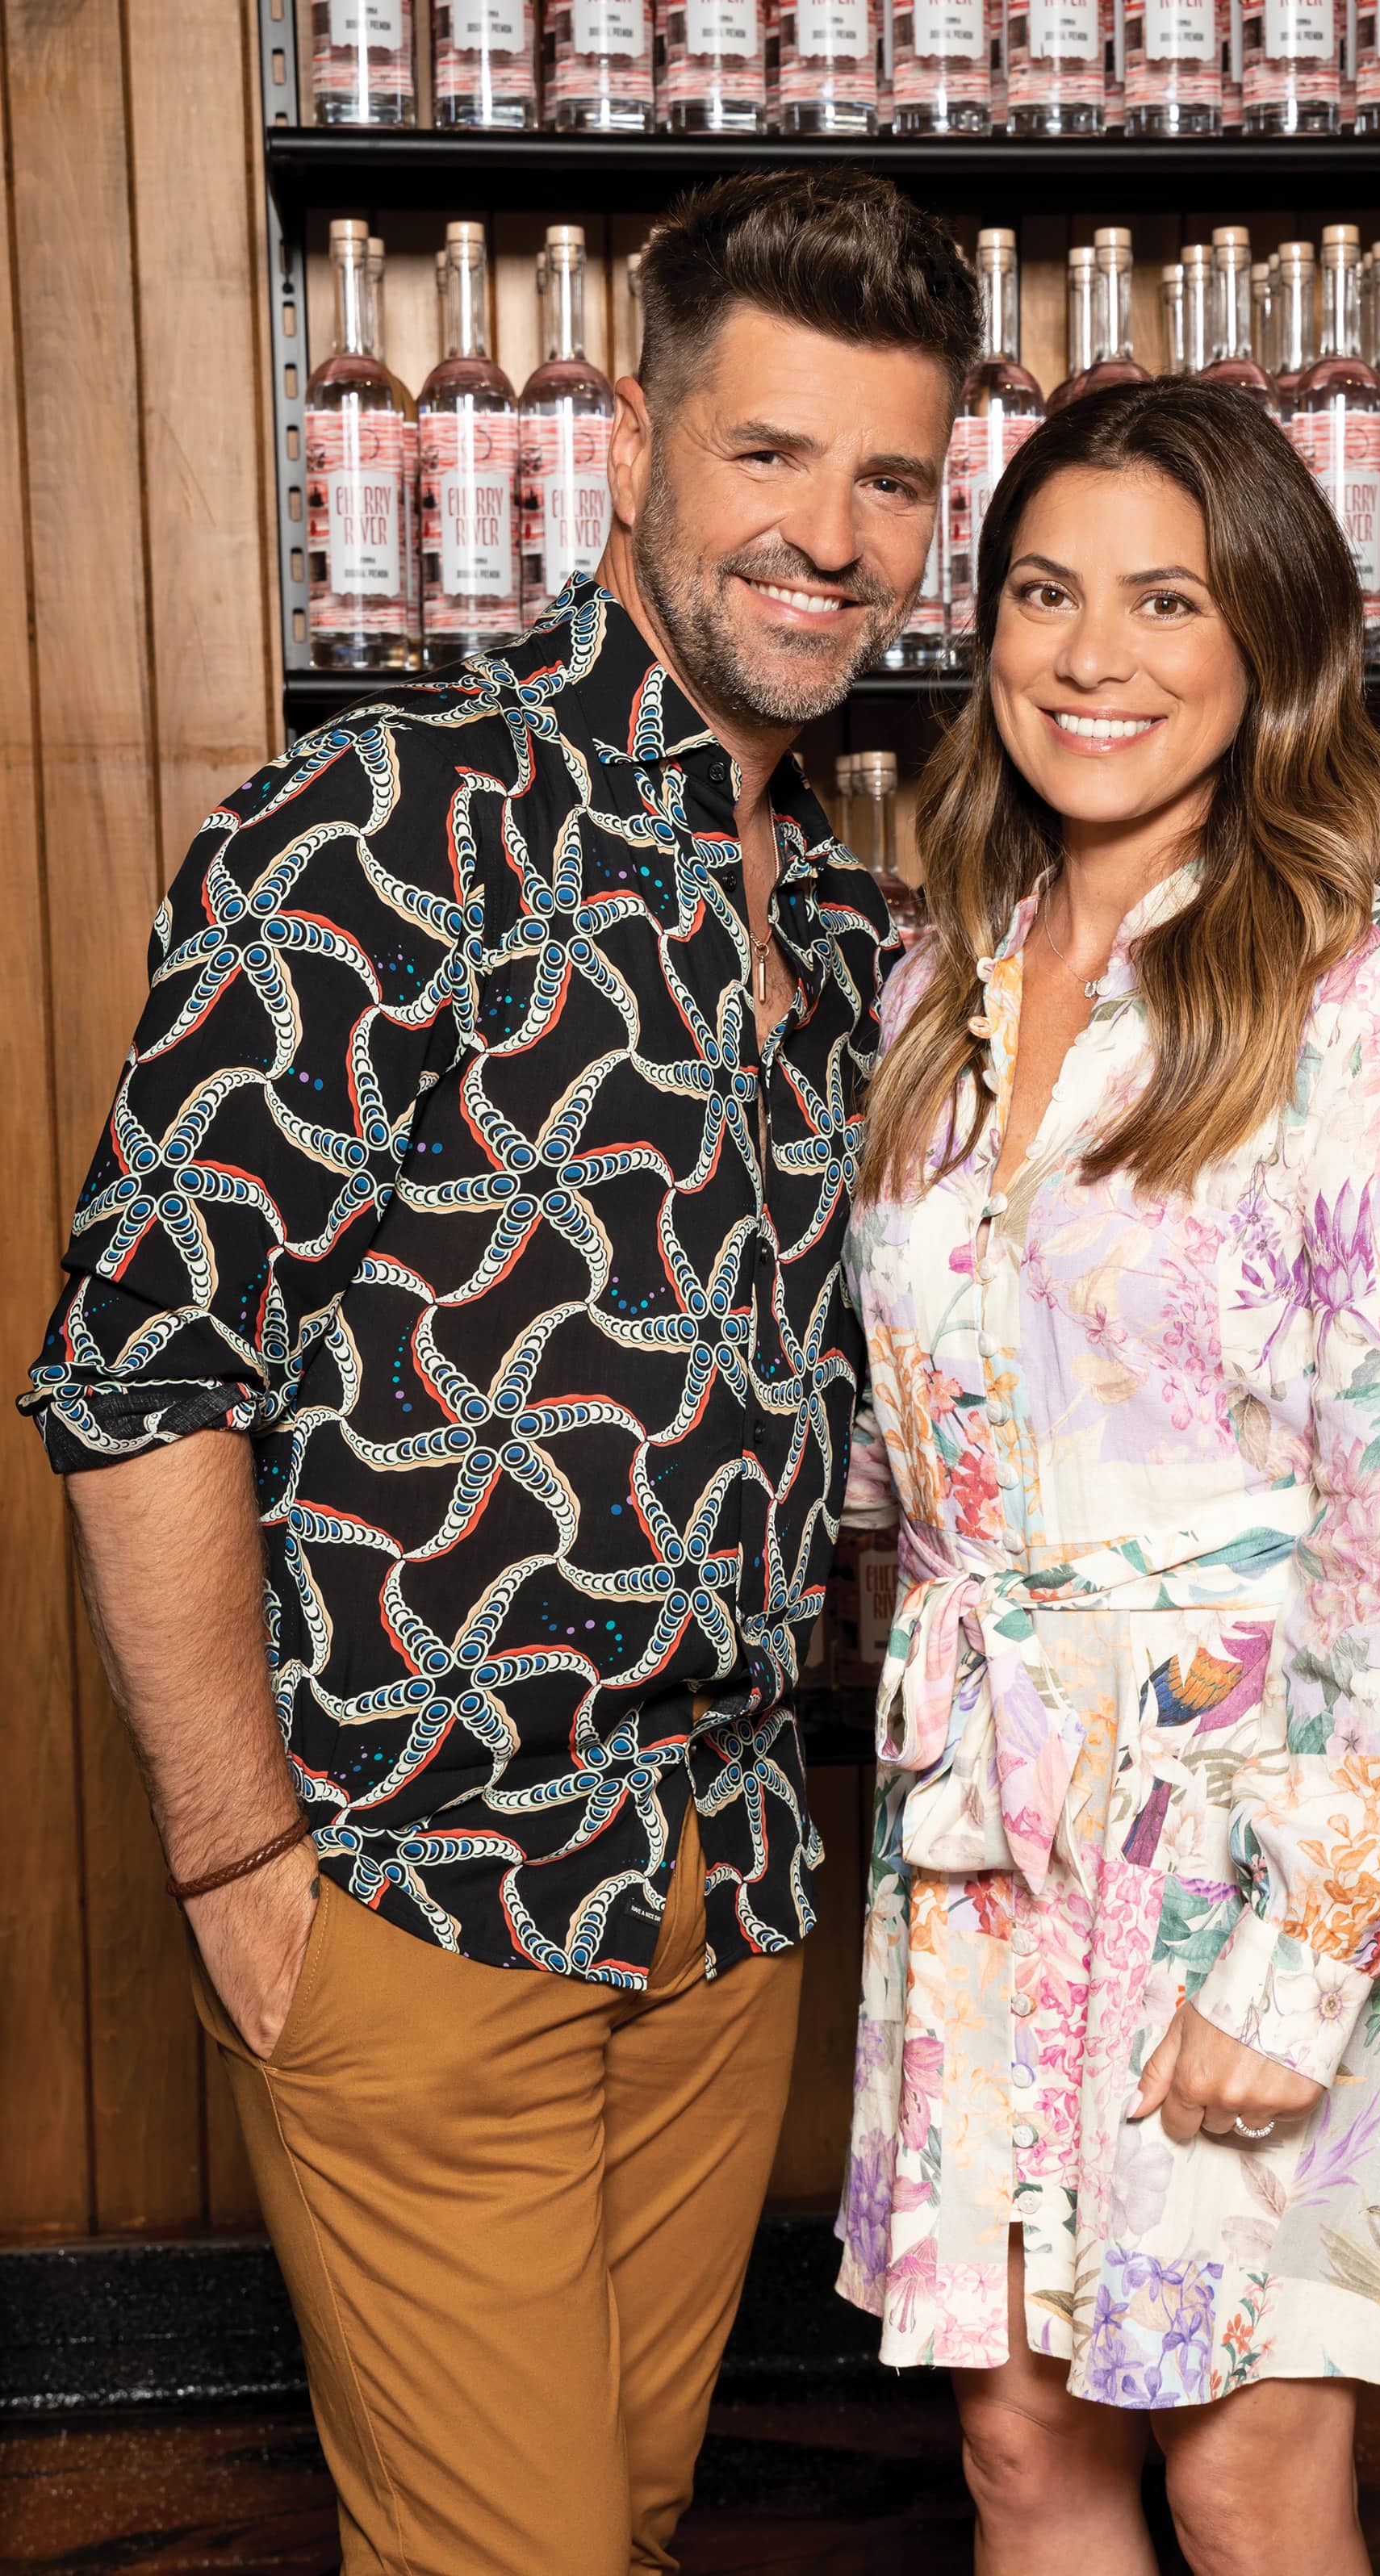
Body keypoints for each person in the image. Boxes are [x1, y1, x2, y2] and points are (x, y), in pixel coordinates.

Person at [20, 169, 976, 2576]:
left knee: (611, 2536)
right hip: (422, 1888)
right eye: (769, 454)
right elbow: (138, 1368)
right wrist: (239, 1862)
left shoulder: (839, 911)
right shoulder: (377, 832)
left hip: (721, 1892)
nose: (831, 536)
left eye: (890, 479)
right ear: (631, 446)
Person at [837, 378, 1380, 2576]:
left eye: (1164, 600)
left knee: (1242, 2465)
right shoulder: (929, 979)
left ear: (1267, 645)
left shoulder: (1375, 998)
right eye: (1044, 593)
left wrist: (1303, 1955)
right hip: (980, 1822)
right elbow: (923, 1432)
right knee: (1020, 2455)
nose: (1090, 655)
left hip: (1239, 1826)